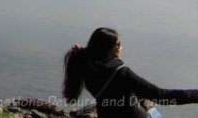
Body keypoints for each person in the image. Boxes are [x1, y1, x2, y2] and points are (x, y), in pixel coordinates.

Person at [63, 27, 198, 117]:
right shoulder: (121, 73)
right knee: (149, 101)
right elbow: (162, 96)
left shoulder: (82, 63)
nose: (121, 48)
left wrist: (82, 51)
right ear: (109, 49)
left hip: (107, 113)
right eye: (119, 44)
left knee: (144, 99)